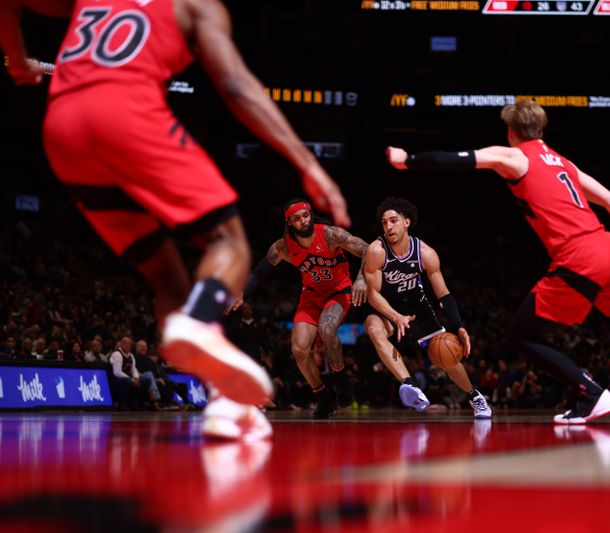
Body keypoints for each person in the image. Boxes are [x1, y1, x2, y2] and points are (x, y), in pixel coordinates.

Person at [1, 0, 351, 440]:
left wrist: (16, 62)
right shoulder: (197, 6)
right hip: (126, 115)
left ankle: (224, 402)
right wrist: (307, 163)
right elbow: (236, 86)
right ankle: (198, 321)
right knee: (229, 243)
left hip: (63, 128)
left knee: (166, 275)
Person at [385, 99, 610, 424]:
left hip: (579, 256)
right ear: (541, 128)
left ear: (512, 132)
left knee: (521, 334)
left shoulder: (516, 156)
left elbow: (459, 159)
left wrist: (408, 161)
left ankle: (591, 393)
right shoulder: (563, 162)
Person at [229, 199, 368, 418]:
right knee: (299, 350)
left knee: (327, 328)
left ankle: (340, 379)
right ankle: (323, 397)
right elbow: (259, 272)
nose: (303, 221)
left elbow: (367, 251)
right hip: (311, 296)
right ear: (289, 222)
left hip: (338, 291)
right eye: (296, 218)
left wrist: (361, 279)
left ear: (311, 215)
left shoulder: (331, 235)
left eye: (305, 215)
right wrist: (242, 292)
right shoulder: (283, 247)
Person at [362, 197, 492, 419]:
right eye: (384, 223)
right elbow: (372, 293)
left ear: (407, 222)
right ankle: (409, 384)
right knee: (373, 328)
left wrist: (459, 326)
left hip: (417, 306)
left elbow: (444, 294)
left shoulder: (425, 252)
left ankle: (474, 396)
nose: (388, 227)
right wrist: (396, 316)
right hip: (386, 306)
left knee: (446, 355)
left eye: (393, 221)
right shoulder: (377, 250)